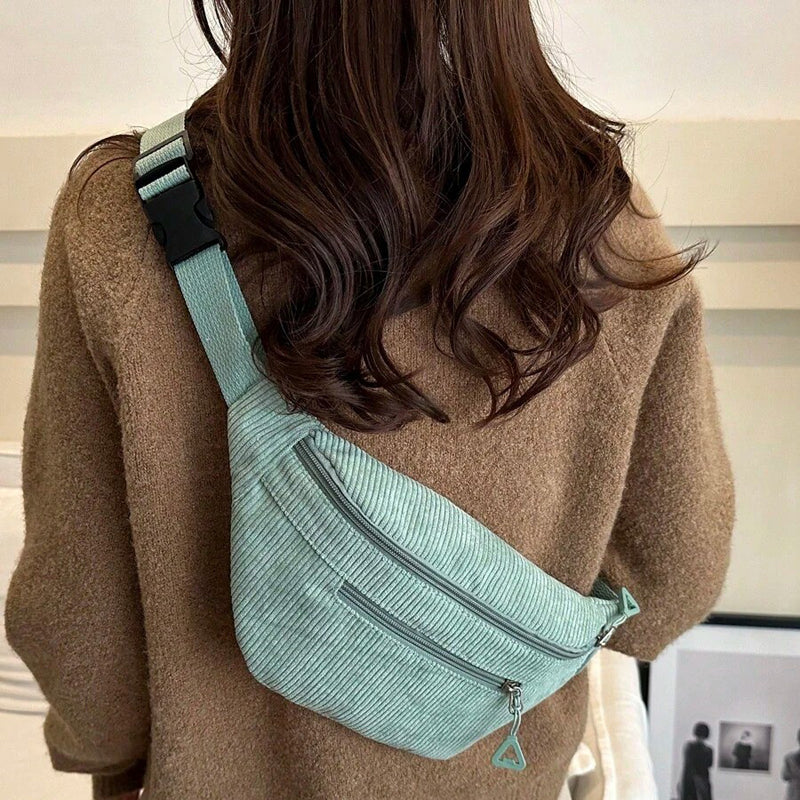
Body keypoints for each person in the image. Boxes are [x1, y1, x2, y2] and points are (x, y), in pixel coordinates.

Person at [3, 2, 737, 799]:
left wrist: (104, 754)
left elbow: (80, 630)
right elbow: (671, 584)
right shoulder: (606, 231)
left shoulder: (126, 219)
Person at [679, 722, 714, 800]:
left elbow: (688, 763)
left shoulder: (689, 746)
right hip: (701, 780)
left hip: (691, 780)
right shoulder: (708, 750)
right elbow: (709, 764)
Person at [782, 729, 800, 800]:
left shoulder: (789, 757)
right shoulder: (789, 758)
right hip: (793, 795)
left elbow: (785, 776)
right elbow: (785, 776)